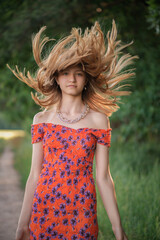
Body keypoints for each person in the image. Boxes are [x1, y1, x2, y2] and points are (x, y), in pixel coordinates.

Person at [7, 20, 137, 240]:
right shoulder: (41, 120)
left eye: (78, 73)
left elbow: (104, 178)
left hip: (82, 211)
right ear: (56, 78)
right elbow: (34, 175)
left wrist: (118, 228)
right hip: (44, 208)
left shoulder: (99, 121)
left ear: (86, 79)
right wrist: (22, 224)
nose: (72, 79)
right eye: (65, 73)